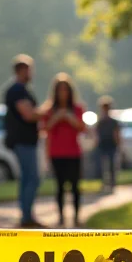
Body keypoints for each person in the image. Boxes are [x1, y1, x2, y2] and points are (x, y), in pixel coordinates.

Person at [3, 54, 44, 228]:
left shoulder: (23, 90)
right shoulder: (17, 90)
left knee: (28, 178)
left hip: (27, 140)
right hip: (23, 141)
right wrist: (48, 110)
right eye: (29, 70)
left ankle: (27, 214)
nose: (31, 73)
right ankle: (26, 217)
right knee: (32, 178)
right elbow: (28, 115)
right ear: (21, 70)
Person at [41, 74, 86, 226]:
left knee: (75, 186)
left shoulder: (77, 109)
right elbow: (45, 129)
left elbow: (82, 128)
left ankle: (77, 216)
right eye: (60, 90)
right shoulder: (49, 110)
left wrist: (68, 117)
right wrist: (57, 117)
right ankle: (61, 216)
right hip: (56, 153)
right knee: (59, 186)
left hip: (73, 152)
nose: (63, 93)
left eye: (65, 90)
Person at [95, 96, 121, 192]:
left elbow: (117, 133)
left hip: (111, 145)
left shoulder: (113, 121)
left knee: (111, 165)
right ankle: (104, 183)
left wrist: (118, 144)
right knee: (102, 166)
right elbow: (96, 133)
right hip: (102, 145)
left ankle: (112, 183)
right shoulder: (100, 121)